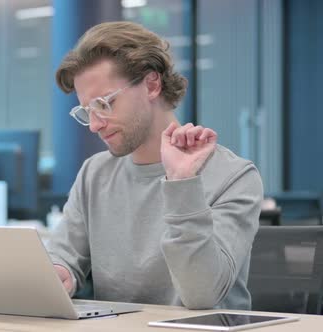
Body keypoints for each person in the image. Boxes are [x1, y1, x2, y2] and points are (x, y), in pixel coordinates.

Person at [45, 21, 263, 310]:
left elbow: (202, 294)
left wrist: (181, 182)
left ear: (151, 84)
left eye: (103, 104)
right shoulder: (94, 173)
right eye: (86, 112)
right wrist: (60, 273)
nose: (95, 125)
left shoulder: (233, 176)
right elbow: (63, 255)